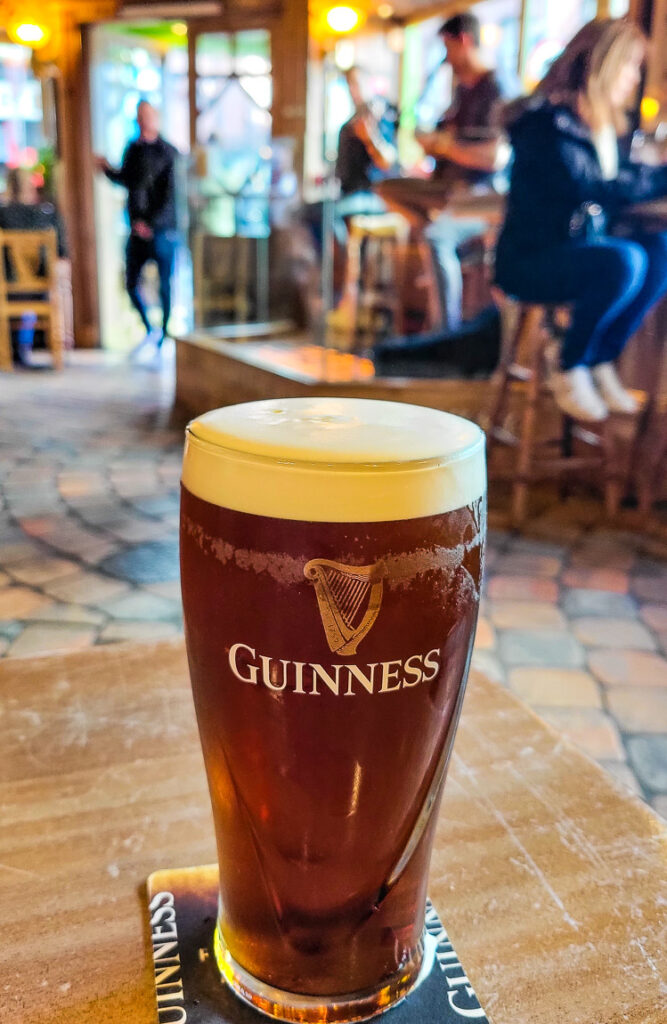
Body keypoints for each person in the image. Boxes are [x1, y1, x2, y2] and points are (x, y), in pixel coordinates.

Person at [495, 18, 667, 422]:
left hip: (573, 251)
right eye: (630, 67)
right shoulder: (545, 122)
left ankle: (598, 356)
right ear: (603, 64)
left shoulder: (601, 127)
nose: (633, 79)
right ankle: (571, 361)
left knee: (659, 252)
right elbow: (592, 186)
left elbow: (616, 184)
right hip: (530, 262)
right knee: (625, 260)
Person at [376, 12, 504, 331]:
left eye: (448, 48)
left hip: (484, 196)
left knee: (436, 237)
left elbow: (495, 158)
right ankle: (438, 235)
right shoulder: (462, 90)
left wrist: (444, 145)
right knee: (385, 187)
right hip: (449, 189)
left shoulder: (497, 87)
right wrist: (430, 143)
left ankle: (447, 334)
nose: (445, 59)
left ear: (463, 41)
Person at [94, 100, 178, 349]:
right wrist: (107, 169)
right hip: (137, 230)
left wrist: (151, 223)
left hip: (162, 230)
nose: (145, 120)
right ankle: (149, 328)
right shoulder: (133, 149)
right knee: (131, 283)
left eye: (149, 115)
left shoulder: (168, 152)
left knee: (165, 284)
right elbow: (127, 180)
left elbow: (170, 195)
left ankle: (165, 331)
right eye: (141, 116)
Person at [0, 167, 70, 367]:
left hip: (7, 288)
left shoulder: (2, 214)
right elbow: (62, 252)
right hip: (42, 289)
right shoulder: (48, 214)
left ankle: (11, 349)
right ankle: (28, 345)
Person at [334, 67, 398, 233]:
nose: (352, 90)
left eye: (356, 84)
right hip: (349, 194)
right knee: (313, 212)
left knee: (330, 215)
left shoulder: (380, 118)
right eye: (349, 84)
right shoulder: (348, 126)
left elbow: (388, 161)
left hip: (374, 195)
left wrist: (370, 137)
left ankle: (346, 258)